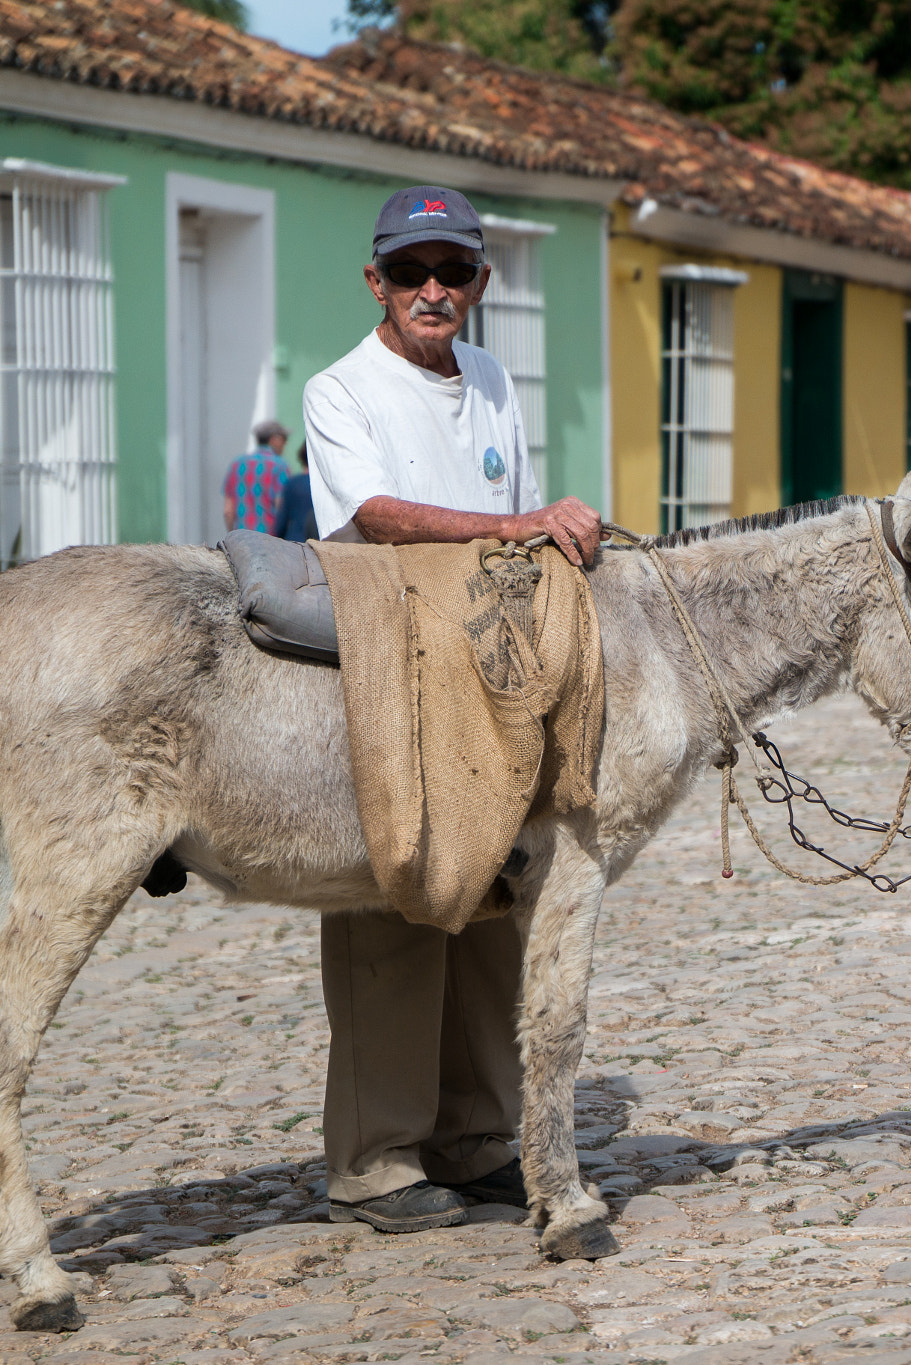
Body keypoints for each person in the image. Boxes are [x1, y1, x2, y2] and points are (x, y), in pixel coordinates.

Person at [303, 185, 602, 1235]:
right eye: (409, 271)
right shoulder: (341, 388)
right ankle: (373, 1159)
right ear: (375, 281)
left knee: (490, 900)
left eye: (453, 271)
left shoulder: (490, 379)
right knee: (394, 898)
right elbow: (376, 516)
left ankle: (478, 1136)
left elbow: (517, 522)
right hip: (387, 659)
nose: (431, 289)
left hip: (487, 659)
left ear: (479, 282)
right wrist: (517, 525)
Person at [224, 420, 294, 533]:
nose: (285, 444)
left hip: (242, 537)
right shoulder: (280, 466)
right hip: (270, 537)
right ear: (275, 440)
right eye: (284, 440)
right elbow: (281, 506)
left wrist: (232, 535)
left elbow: (228, 511)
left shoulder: (237, 464)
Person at [275, 443, 316, 543]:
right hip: (317, 542)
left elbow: (282, 521)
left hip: (294, 541)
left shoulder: (292, 483)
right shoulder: (324, 485)